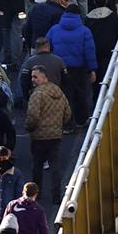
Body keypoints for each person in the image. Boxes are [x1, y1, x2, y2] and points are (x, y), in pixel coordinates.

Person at [24, 66, 71, 202]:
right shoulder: (58, 92)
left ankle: (35, 194)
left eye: (35, 77)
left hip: (39, 136)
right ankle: (56, 196)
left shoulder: (37, 94)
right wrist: (58, 125)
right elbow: (67, 113)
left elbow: (32, 116)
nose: (32, 79)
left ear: (44, 78)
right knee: (55, 166)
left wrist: (29, 128)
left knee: (37, 166)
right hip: (55, 135)